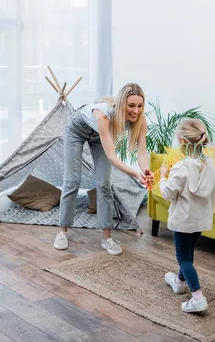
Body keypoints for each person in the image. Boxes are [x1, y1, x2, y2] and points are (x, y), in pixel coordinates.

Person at [54, 83, 152, 254]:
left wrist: (145, 170)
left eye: (139, 106)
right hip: (77, 131)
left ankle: (107, 238)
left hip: (100, 137)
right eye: (131, 105)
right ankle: (62, 231)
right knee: (72, 181)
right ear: (122, 104)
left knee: (104, 183)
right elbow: (113, 158)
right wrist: (135, 174)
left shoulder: (141, 121)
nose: (135, 111)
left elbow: (142, 153)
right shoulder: (104, 115)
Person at [159, 118, 215, 313]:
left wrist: (162, 176)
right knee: (188, 254)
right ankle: (177, 282)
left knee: (183, 257)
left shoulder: (181, 168)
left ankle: (198, 297)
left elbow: (168, 193)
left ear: (183, 141)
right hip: (201, 220)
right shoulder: (210, 166)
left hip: (183, 221)